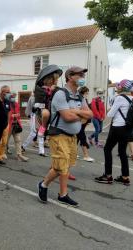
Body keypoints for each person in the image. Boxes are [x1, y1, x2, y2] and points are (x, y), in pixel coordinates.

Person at [37, 66, 93, 207]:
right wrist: (80, 114)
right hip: (59, 135)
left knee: (65, 167)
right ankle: (45, 185)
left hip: (72, 136)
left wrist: (75, 111)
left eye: (83, 75)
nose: (82, 77)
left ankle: (61, 194)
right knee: (61, 166)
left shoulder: (79, 96)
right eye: (79, 75)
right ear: (69, 76)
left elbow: (90, 115)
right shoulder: (61, 94)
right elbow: (67, 117)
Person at [95, 79, 133, 186]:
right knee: (122, 152)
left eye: (118, 86)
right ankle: (125, 177)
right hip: (127, 128)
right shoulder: (132, 98)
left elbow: (110, 114)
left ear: (122, 88)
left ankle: (108, 176)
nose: (117, 87)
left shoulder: (119, 98)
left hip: (117, 127)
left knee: (107, 149)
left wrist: (110, 107)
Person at [22, 65, 62, 157]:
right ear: (50, 79)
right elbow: (32, 106)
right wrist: (29, 115)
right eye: (55, 79)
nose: (56, 81)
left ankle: (41, 151)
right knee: (33, 133)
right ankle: (23, 146)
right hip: (35, 114)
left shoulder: (52, 89)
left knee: (40, 133)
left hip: (43, 114)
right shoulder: (38, 91)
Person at [6, 92, 29, 162]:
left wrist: (16, 115)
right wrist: (11, 116)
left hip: (16, 125)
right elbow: (6, 115)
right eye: (12, 96)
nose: (14, 98)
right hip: (8, 125)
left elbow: (18, 113)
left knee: (18, 140)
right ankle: (2, 152)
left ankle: (19, 155)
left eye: (14, 96)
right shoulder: (6, 104)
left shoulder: (16, 104)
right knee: (5, 140)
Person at [76, 86, 94, 162]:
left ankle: (74, 153)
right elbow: (81, 110)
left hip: (83, 122)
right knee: (82, 138)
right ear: (83, 92)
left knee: (77, 138)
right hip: (80, 121)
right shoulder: (80, 99)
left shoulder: (83, 99)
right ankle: (86, 156)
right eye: (87, 92)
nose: (87, 94)